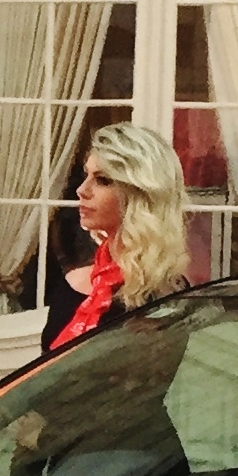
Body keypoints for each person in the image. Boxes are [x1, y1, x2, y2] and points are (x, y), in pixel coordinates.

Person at [42, 122, 191, 354]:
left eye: (102, 180)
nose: (82, 190)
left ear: (139, 194)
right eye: (86, 175)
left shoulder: (164, 294)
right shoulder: (74, 283)